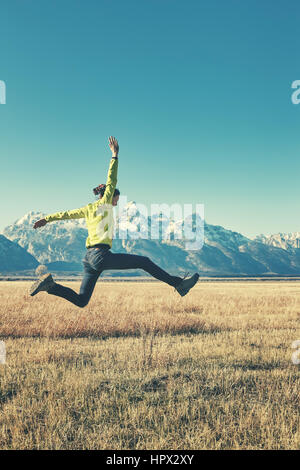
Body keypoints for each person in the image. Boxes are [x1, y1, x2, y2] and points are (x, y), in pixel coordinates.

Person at [29, 136, 199, 307]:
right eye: (115, 200)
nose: (116, 203)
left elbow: (65, 214)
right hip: (100, 256)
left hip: (89, 259)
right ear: (108, 196)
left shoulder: (88, 208)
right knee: (144, 261)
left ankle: (50, 286)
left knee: (82, 301)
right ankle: (179, 284)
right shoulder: (105, 203)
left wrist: (46, 219)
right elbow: (112, 180)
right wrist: (114, 155)